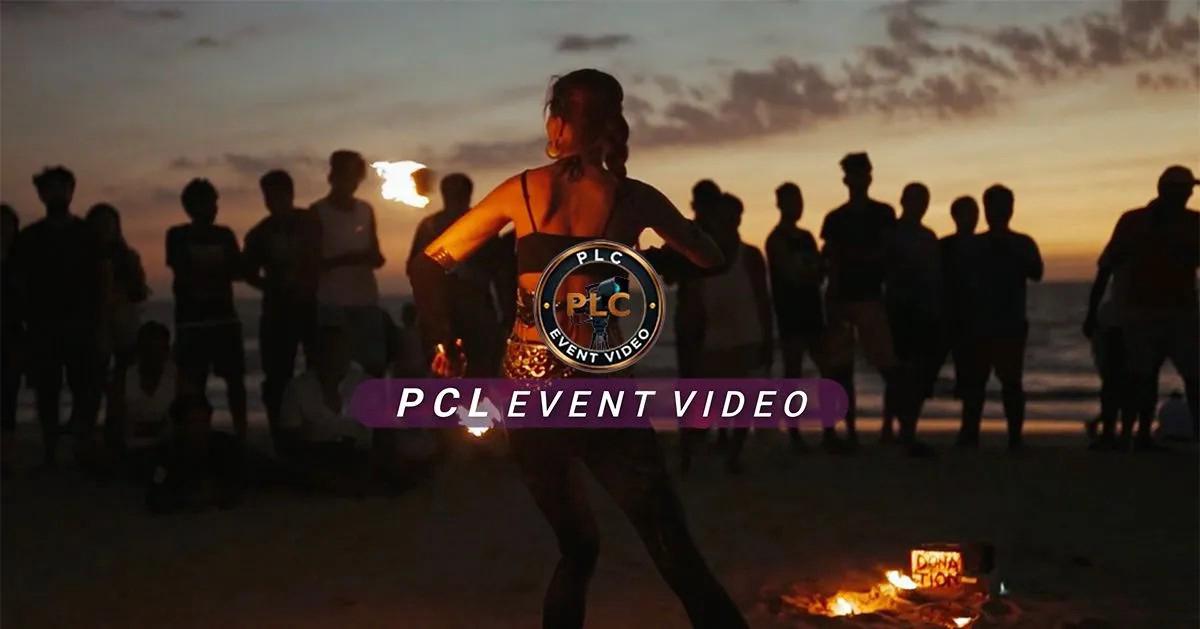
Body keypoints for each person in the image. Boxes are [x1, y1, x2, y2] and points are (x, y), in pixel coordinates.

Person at [408, 69, 747, 629]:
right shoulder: (635, 199)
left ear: (558, 124)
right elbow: (711, 258)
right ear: (613, 125)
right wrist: (649, 257)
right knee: (670, 545)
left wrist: (445, 342)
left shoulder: (521, 190)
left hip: (527, 397)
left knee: (578, 547)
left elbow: (428, 265)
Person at [1094, 165, 1199, 447]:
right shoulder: (1134, 221)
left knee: (1193, 376)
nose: (1189, 194)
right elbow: (1107, 265)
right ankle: (1137, 434)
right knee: (1141, 377)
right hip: (1141, 311)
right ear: (1166, 190)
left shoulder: (1193, 222)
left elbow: (1105, 266)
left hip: (1181, 311)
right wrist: (1094, 311)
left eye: (1189, 189)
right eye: (1184, 189)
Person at [10, 166, 104, 466]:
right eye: (50, 189)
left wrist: (97, 320)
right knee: (47, 392)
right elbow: (18, 283)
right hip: (43, 327)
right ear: (41, 195)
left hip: (81, 325)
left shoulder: (87, 234)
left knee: (84, 390)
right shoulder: (29, 237)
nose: (57, 194)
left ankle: (80, 448)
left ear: (71, 191)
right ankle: (51, 451)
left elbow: (100, 279)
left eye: (62, 188)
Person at [818, 152, 911, 453]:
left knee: (888, 367)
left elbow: (887, 254)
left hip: (870, 297)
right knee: (840, 370)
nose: (858, 179)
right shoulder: (836, 218)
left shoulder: (882, 214)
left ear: (869, 177)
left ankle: (893, 428)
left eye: (862, 173)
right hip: (845, 298)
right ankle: (846, 433)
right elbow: (832, 261)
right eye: (854, 174)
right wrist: (832, 297)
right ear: (847, 179)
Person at [677, 193, 773, 474]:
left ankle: (733, 456)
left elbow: (762, 298)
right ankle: (689, 456)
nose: (729, 223)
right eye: (723, 218)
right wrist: (692, 338)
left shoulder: (750, 256)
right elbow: (693, 302)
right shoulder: (701, 257)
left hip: (746, 334)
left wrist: (768, 337)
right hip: (714, 338)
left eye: (733, 217)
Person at [958, 184, 1043, 451]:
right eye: (995, 206)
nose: (999, 212)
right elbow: (960, 282)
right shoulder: (975, 244)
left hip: (1007, 322)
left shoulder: (1020, 243)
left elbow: (1036, 272)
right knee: (978, 383)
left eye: (1003, 207)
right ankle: (972, 435)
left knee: (1008, 383)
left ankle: (1012, 438)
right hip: (982, 322)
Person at [243, 170, 321, 450]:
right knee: (277, 376)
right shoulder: (259, 233)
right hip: (278, 311)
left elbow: (320, 257)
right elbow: (247, 271)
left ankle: (315, 428)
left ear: (289, 194)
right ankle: (280, 433)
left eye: (276, 195)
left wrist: (305, 282)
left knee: (316, 371)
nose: (272, 201)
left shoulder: (309, 222)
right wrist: (273, 286)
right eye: (268, 196)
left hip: (310, 308)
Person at [166, 179, 247, 442]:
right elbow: (184, 272)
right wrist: (217, 273)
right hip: (192, 322)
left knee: (235, 382)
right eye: (208, 203)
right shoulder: (177, 235)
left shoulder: (224, 234)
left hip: (223, 319)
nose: (213, 208)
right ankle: (195, 434)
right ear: (191, 207)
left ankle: (241, 433)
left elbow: (237, 270)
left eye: (214, 203)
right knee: (194, 384)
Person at [407, 173, 511, 376]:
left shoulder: (482, 224)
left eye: (458, 193)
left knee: (479, 370)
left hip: (476, 308)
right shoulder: (430, 226)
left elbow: (499, 270)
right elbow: (415, 267)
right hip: (442, 312)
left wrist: (505, 313)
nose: (454, 198)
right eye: (450, 193)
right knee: (443, 369)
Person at [311, 150, 390, 377]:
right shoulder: (318, 212)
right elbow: (312, 261)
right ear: (333, 177)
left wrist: (371, 258)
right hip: (332, 302)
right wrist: (347, 259)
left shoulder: (366, 210)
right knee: (333, 370)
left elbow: (376, 254)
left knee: (374, 366)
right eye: (347, 176)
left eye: (355, 177)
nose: (352, 183)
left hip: (365, 299)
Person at [765, 182, 825, 451]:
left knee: (826, 368)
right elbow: (793, 274)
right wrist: (810, 270)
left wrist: (809, 271)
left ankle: (827, 429)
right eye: (792, 201)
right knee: (793, 374)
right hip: (790, 311)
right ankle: (794, 431)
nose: (797, 206)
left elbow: (816, 272)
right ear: (781, 204)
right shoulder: (776, 239)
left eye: (799, 201)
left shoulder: (806, 237)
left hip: (812, 308)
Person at [882, 183, 941, 452]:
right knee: (896, 371)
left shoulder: (928, 237)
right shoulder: (890, 233)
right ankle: (889, 427)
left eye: (923, 201)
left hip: (922, 312)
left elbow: (934, 277)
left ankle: (908, 429)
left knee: (915, 373)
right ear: (904, 200)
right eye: (915, 199)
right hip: (897, 309)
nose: (920, 205)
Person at [278, 325, 372, 495]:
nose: (335, 358)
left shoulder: (365, 385)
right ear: (316, 355)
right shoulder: (298, 389)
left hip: (358, 456)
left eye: (340, 352)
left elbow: (385, 434)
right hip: (316, 458)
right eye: (329, 352)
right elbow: (289, 441)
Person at [87, 203, 150, 452]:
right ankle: (92, 435)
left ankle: (118, 432)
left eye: (109, 223)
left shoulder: (128, 256)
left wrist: (120, 292)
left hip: (124, 322)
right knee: (93, 382)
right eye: (99, 224)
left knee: (125, 380)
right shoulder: (84, 257)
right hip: (95, 322)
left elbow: (140, 291)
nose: (104, 229)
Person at [145, 395, 244, 514]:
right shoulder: (166, 454)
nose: (200, 428)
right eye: (193, 423)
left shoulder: (223, 446)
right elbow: (155, 493)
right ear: (180, 426)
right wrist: (186, 497)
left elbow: (240, 479)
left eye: (204, 422)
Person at [940, 196, 985, 447]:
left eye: (974, 213)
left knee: (973, 378)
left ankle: (970, 430)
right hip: (949, 316)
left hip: (975, 319)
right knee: (925, 371)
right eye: (968, 213)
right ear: (956, 217)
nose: (973, 218)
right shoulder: (944, 246)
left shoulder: (984, 245)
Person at [107, 321, 177, 474]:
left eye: (158, 350)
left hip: (168, 450)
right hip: (130, 450)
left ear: (166, 351)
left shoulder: (178, 379)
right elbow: (113, 425)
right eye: (149, 350)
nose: (153, 356)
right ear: (139, 351)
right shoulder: (122, 380)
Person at [1, 204, 21, 474]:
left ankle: (5, 455)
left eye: (7, 225)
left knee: (8, 393)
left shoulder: (20, 262)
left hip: (13, 334)